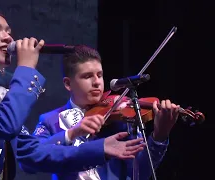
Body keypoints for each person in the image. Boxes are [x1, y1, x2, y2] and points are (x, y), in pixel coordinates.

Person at [0, 9, 147, 180]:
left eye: (9, 32)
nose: (8, 38)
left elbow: (31, 152)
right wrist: (26, 68)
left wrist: (100, 148)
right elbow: (4, 124)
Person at [30, 45, 180, 180]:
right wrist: (72, 133)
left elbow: (140, 173)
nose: (97, 82)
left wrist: (159, 135)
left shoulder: (120, 121)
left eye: (99, 75)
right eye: (87, 76)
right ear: (68, 84)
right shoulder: (51, 120)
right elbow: (31, 158)